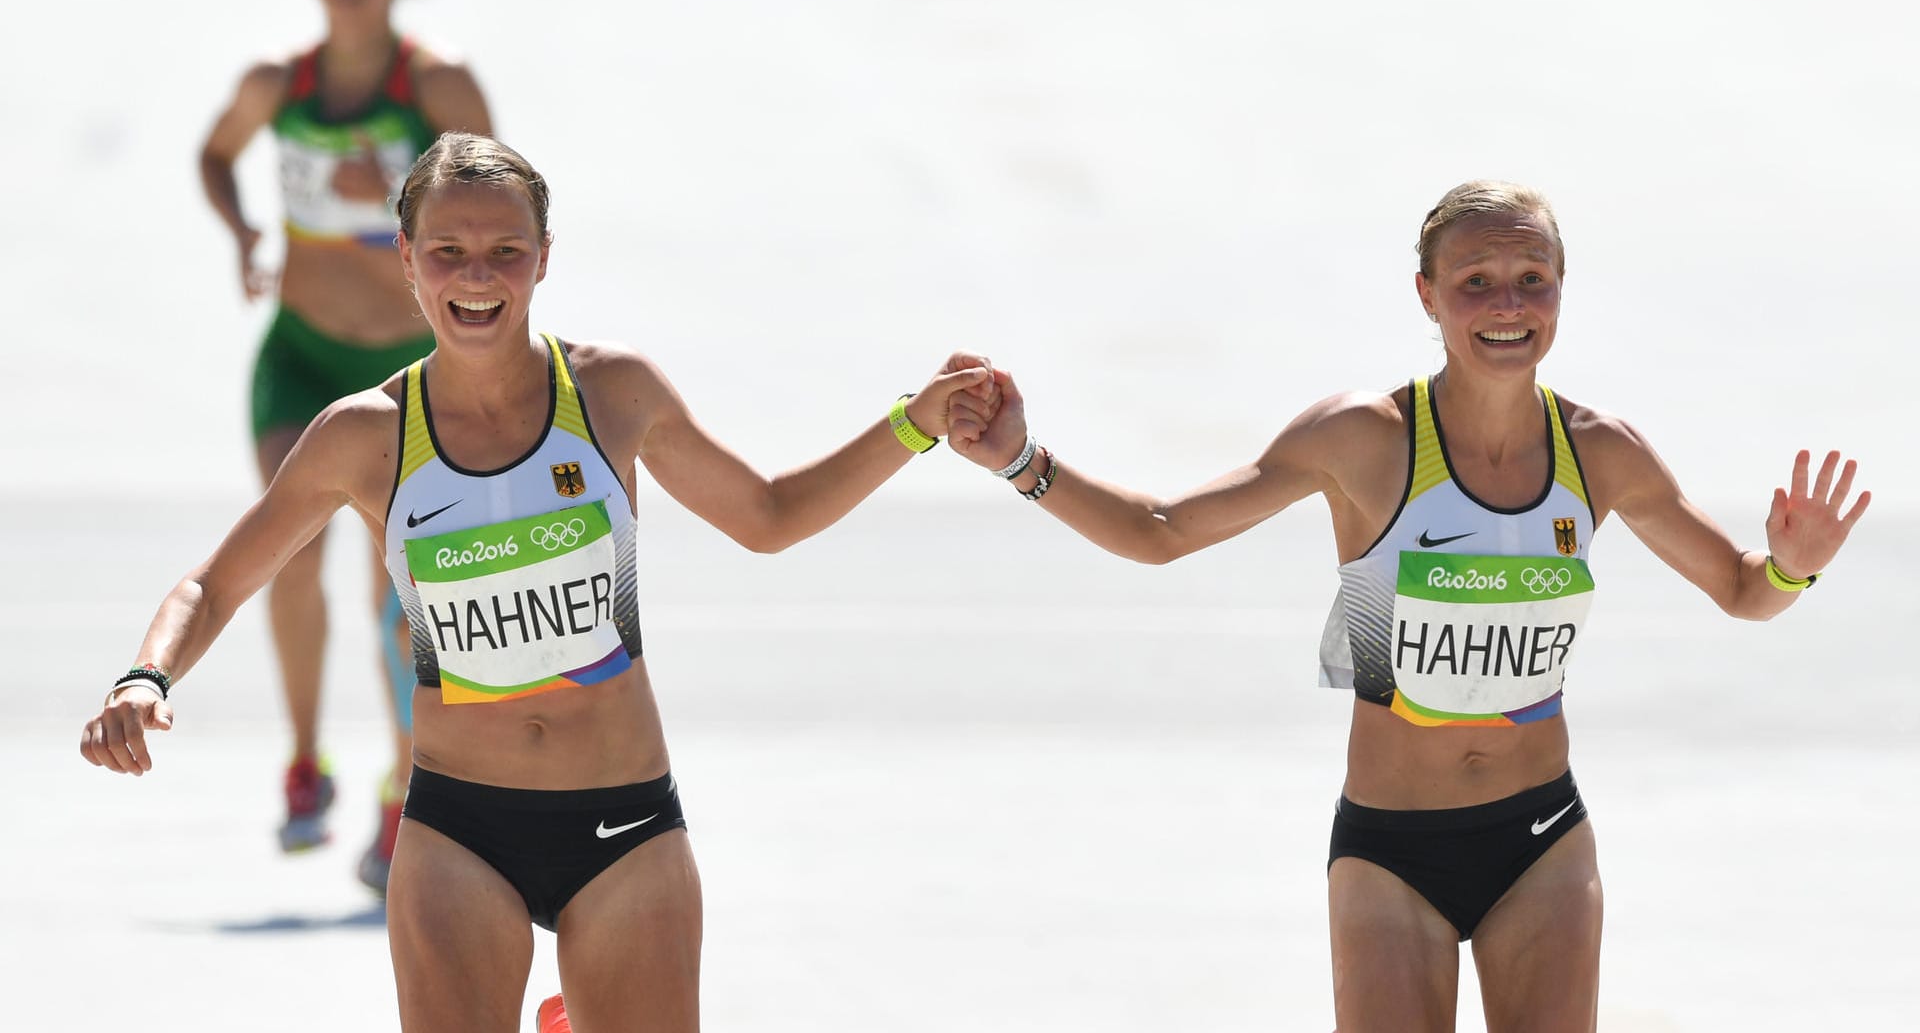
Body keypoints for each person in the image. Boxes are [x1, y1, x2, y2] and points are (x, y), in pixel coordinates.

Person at [83, 132, 995, 1032]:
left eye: (504, 253)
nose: (476, 278)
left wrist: (911, 424)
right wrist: (145, 677)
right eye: (448, 252)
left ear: (544, 258)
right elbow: (215, 584)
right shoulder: (364, 437)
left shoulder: (611, 392)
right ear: (406, 257)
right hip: (456, 829)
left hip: (625, 823)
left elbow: (769, 514)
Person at [945, 180, 1868, 1030]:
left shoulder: (1602, 452)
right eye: (1476, 281)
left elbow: (1745, 591)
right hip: (1390, 850)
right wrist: (1024, 464)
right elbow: (1160, 530)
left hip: (1541, 837)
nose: (1508, 304)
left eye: (1532, 279)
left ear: (1560, 293)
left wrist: (1792, 568)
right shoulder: (1363, 439)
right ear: (1427, 296)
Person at [197, 0, 492, 889]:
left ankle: (403, 793)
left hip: (404, 371)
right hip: (301, 355)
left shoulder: (436, 80)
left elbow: (500, 200)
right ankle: (302, 764)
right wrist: (244, 231)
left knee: (397, 591)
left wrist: (405, 189)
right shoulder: (275, 81)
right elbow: (213, 153)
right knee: (282, 546)